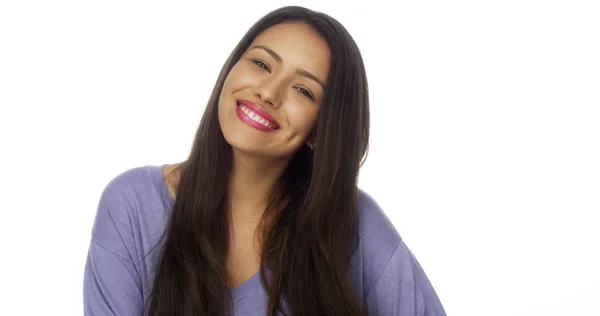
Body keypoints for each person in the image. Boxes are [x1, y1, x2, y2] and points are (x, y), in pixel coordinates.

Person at [83, 5, 446, 316]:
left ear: (323, 127)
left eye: (303, 90)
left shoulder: (353, 221)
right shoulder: (132, 204)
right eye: (260, 63)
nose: (268, 92)